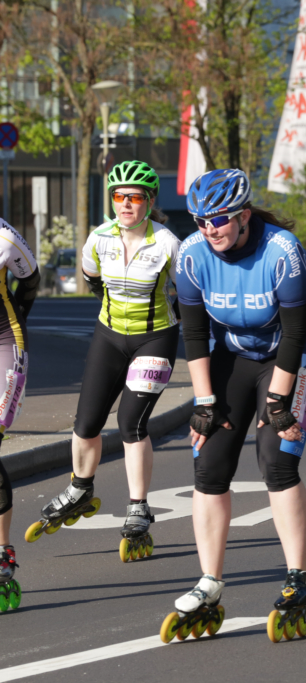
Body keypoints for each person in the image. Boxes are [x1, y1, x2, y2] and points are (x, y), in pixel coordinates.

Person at [159, 168, 306, 645]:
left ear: (244, 215)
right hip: (232, 354)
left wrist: (278, 401)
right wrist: (204, 402)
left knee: (277, 457)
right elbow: (194, 334)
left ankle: (298, 576)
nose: (209, 229)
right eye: (200, 220)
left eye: (219, 219)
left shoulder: (282, 251)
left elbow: (295, 332)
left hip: (291, 354)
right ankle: (209, 582)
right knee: (208, 461)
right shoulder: (192, 255)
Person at [25, 161, 179, 565]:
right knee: (86, 422)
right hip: (109, 335)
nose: (126, 204)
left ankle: (138, 506)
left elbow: (189, 294)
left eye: (135, 197)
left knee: (131, 423)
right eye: (118, 196)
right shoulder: (99, 238)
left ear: (149, 202)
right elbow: (92, 279)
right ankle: (80, 487)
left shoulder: (168, 243)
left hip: (155, 338)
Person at [0, 218, 39, 612]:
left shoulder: (3, 237)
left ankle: (1, 553)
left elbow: (30, 281)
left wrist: (21, 317)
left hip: (4, 344)